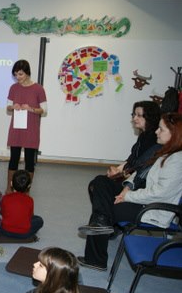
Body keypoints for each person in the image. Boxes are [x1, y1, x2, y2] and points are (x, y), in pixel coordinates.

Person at [78, 113, 182, 271]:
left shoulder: (177, 160)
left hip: (153, 209)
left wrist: (128, 196)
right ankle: (101, 222)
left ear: (174, 134)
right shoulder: (164, 151)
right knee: (100, 182)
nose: (156, 132)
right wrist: (128, 187)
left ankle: (96, 257)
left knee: (107, 208)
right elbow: (140, 172)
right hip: (142, 197)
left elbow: (160, 193)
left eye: (161, 129)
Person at [81, 101, 161, 235]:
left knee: (98, 184)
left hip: (139, 186)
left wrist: (121, 174)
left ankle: (104, 223)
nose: (134, 118)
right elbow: (132, 159)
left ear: (150, 117)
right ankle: (106, 224)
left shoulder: (154, 139)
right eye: (134, 114)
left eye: (139, 115)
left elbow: (141, 169)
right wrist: (118, 169)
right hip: (131, 178)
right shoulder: (144, 135)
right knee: (96, 184)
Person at [5, 59, 47, 194]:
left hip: (31, 130)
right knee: (13, 159)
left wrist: (31, 109)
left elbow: (44, 110)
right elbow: (8, 106)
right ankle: (9, 188)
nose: (18, 77)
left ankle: (26, 191)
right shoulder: (13, 88)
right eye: (16, 74)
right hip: (16, 129)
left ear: (27, 73)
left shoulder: (38, 88)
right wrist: (13, 107)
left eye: (20, 74)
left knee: (29, 162)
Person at [0, 170, 43, 240]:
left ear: (11, 184)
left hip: (5, 231)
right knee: (39, 220)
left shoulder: (5, 198)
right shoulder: (30, 200)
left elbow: (3, 213)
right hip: (24, 234)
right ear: (29, 186)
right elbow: (30, 216)